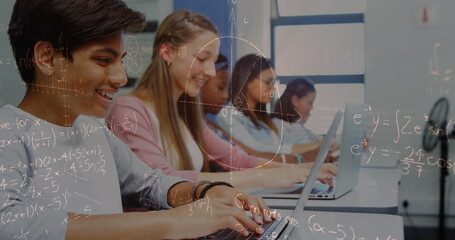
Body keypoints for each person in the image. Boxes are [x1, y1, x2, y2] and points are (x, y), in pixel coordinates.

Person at [0, 1, 275, 239]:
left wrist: (204, 193)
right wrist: (172, 222)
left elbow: (149, 183)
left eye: (120, 60)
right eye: (103, 60)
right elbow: (9, 224)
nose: (120, 78)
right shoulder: (9, 132)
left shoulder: (93, 131)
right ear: (47, 58)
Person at [106, 10, 337, 191]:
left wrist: (305, 169)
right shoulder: (128, 110)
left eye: (213, 61)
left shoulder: (184, 113)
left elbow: (237, 159)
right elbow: (163, 181)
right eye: (202, 58)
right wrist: (268, 176)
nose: (210, 72)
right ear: (167, 52)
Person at [215, 54, 324, 162]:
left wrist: (319, 146)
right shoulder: (227, 116)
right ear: (247, 79)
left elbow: (287, 142)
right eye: (268, 82)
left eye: (274, 83)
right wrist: (314, 146)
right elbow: (257, 150)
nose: (272, 89)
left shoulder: (262, 117)